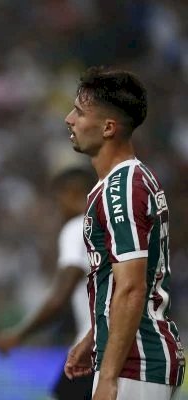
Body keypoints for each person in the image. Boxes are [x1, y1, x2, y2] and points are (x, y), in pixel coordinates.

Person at [63, 67, 185, 399]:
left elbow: (132, 287)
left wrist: (109, 377)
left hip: (137, 363)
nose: (68, 119)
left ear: (108, 127)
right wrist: (93, 338)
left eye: (79, 111)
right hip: (133, 359)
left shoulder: (123, 189)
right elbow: (120, 280)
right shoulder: (119, 183)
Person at [0, 167, 96, 400]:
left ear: (74, 194)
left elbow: (60, 296)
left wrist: (19, 334)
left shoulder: (78, 227)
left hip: (94, 346)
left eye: (58, 198)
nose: (57, 207)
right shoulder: (114, 229)